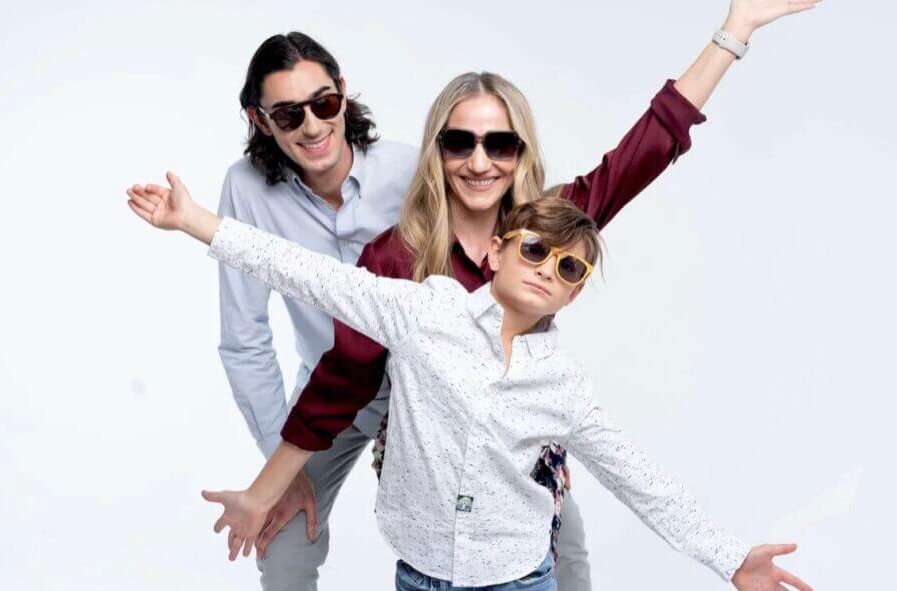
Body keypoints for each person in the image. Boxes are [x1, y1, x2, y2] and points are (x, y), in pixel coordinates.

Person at [185, 2, 818, 588]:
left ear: (521, 152)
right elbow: (340, 370)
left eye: (501, 145)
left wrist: (735, 30)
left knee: (566, 544)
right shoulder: (397, 257)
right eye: (460, 143)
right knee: (294, 537)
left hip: (505, 433)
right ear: (438, 150)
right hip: (395, 418)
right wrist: (266, 486)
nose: (480, 162)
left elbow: (647, 147)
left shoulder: (548, 228)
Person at [126, 178, 814, 591]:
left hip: (520, 577)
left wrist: (730, 559)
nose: (547, 268)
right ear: (498, 249)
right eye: (536, 249)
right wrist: (194, 222)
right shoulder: (427, 309)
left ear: (574, 293)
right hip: (420, 575)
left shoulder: (563, 384)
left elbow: (640, 479)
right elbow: (312, 274)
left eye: (569, 268)